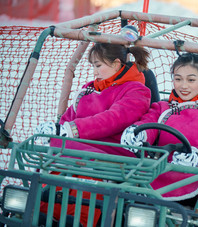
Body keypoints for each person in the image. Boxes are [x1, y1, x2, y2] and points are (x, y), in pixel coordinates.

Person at [36, 43, 152, 226]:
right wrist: (58, 130)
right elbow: (69, 116)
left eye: (98, 65)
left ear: (115, 64)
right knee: (54, 161)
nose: (94, 71)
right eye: (93, 66)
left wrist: (72, 130)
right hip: (80, 151)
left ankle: (81, 220)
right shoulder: (90, 88)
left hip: (111, 153)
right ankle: (42, 213)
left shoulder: (136, 91)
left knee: (85, 172)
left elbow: (114, 118)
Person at [121, 53, 198, 224]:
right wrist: (138, 133)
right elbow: (149, 123)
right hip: (161, 172)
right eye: (178, 79)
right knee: (129, 162)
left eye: (191, 80)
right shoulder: (163, 107)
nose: (183, 86)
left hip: (196, 175)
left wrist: (197, 155)